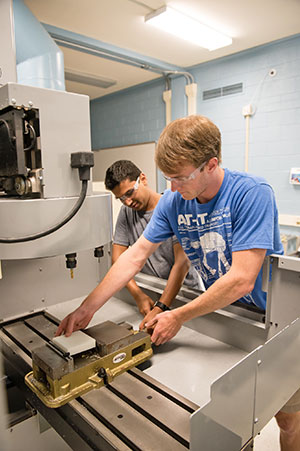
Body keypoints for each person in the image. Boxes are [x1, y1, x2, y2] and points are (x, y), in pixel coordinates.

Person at [56, 115, 300, 450]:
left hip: (272, 320)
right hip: (228, 316)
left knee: (286, 419)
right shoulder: (174, 201)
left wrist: (178, 315)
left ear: (211, 164)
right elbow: (134, 255)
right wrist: (88, 307)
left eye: (180, 177)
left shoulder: (251, 194)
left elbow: (242, 279)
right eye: (167, 178)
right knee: (238, 418)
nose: (171, 188)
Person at [104, 159, 200, 326]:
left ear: (143, 179)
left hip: (184, 295)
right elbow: (118, 260)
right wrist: (138, 295)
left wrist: (161, 307)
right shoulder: (126, 212)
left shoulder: (173, 206)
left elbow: (182, 262)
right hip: (153, 292)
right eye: (121, 198)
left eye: (129, 193)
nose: (127, 202)